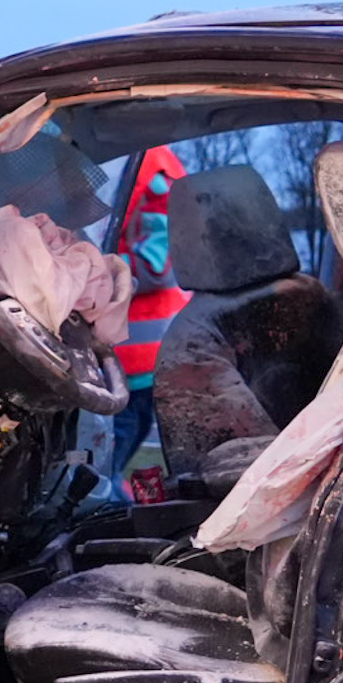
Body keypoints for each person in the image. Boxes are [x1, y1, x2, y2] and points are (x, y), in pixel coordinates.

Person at [109, 146, 190, 490]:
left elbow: (156, 267)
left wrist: (96, 269)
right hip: (128, 359)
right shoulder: (128, 166)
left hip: (136, 361)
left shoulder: (155, 176)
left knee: (103, 470)